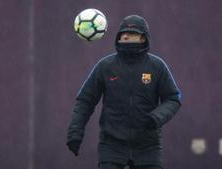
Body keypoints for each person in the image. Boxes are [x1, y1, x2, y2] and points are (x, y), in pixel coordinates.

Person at [66, 15, 181, 169]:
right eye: (122, 33)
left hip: (148, 146)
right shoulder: (105, 66)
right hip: (111, 145)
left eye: (132, 33)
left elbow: (174, 98)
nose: (125, 36)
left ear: (143, 37)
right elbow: (85, 101)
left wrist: (157, 117)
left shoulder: (157, 66)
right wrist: (75, 133)